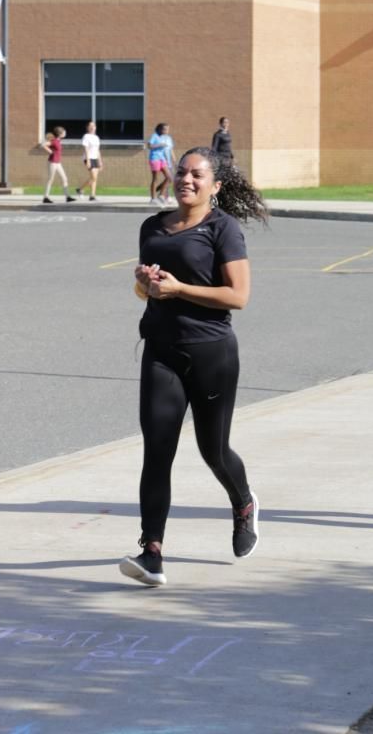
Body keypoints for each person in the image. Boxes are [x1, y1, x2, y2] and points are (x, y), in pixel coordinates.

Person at [120, 146, 269, 586]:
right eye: (181, 172)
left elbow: (238, 296)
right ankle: (152, 552)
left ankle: (243, 503)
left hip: (211, 353)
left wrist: (180, 288)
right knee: (157, 451)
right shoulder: (152, 227)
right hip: (161, 352)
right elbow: (148, 289)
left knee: (213, 448)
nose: (186, 180)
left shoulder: (223, 229)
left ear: (214, 186)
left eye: (197, 175)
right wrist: (145, 284)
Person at [42, 126, 76, 204]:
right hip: (52, 162)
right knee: (51, 179)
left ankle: (68, 197)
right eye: (64, 132)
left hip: (58, 162)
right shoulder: (54, 141)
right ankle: (45, 197)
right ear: (60, 134)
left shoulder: (58, 141)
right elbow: (43, 145)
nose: (65, 133)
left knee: (64, 178)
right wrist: (50, 152)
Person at [147, 122, 174, 205]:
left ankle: (161, 195)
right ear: (160, 129)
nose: (167, 131)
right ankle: (153, 198)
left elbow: (169, 149)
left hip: (162, 159)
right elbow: (149, 146)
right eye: (165, 129)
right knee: (155, 179)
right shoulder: (154, 136)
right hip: (155, 159)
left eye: (167, 129)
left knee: (169, 177)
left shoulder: (165, 137)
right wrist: (159, 145)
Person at [77, 120, 103, 202]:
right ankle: (81, 190)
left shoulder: (96, 137)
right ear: (88, 128)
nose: (92, 127)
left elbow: (98, 150)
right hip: (88, 158)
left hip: (95, 158)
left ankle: (91, 195)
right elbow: (86, 149)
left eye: (94, 126)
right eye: (90, 126)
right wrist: (88, 160)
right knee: (93, 177)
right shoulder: (86, 136)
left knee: (94, 178)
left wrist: (100, 161)